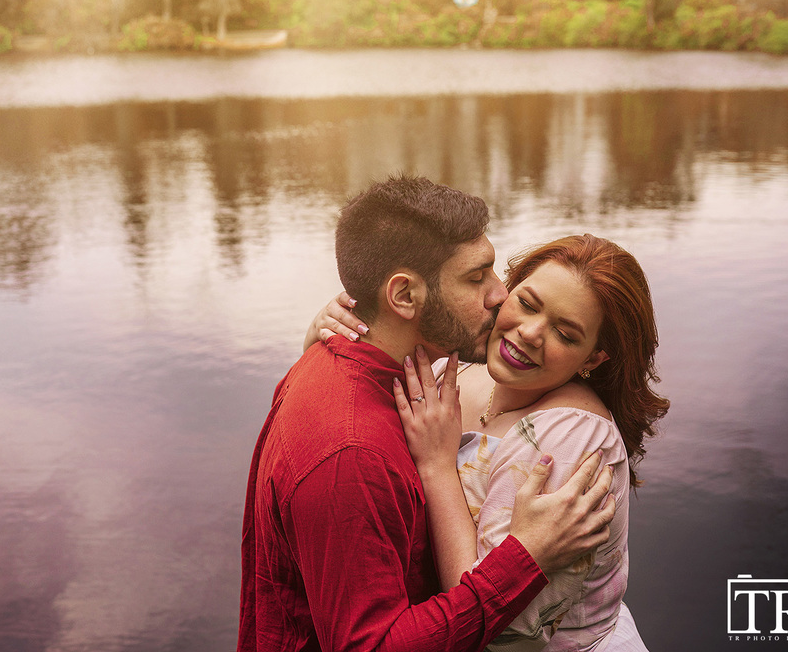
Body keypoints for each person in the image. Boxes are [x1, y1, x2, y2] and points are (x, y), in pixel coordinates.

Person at [239, 176, 618, 652]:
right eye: (476, 277)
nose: (499, 294)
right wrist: (527, 558)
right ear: (403, 297)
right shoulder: (350, 452)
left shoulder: (359, 370)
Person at [307, 234, 670, 651]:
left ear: (592, 359)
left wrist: (438, 466)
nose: (531, 333)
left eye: (566, 334)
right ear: (506, 291)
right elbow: (360, 387)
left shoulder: (570, 440)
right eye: (528, 304)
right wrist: (324, 330)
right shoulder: (455, 370)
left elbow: (491, 619)